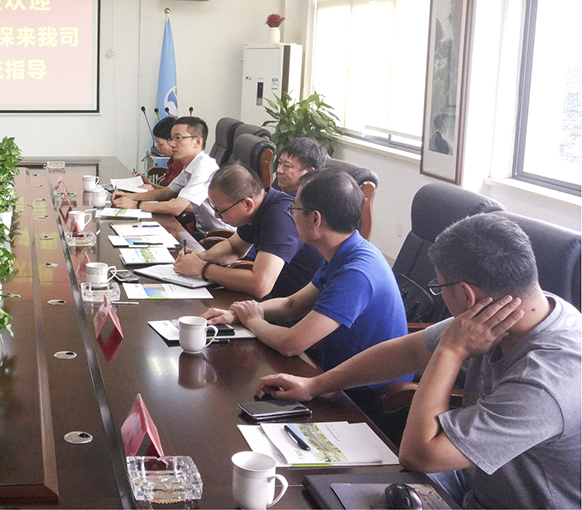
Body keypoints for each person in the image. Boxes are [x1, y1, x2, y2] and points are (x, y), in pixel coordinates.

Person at [255, 213, 581, 509]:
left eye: (440, 287)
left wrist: (451, 351)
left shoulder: (546, 381)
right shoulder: (520, 310)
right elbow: (406, 352)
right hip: (472, 481)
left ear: (466, 295)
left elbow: (419, 456)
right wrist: (314, 385)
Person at [201, 168, 410, 423]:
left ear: (315, 219)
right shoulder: (344, 250)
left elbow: (291, 344)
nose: (291, 215)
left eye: (295, 209)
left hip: (369, 399)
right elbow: (293, 304)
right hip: (335, 377)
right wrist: (238, 313)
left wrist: (253, 321)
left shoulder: (357, 272)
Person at [173, 164, 322, 299]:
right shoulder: (259, 207)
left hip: (295, 307)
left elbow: (261, 285)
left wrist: (203, 268)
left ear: (247, 204)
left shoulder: (280, 217)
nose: (217, 216)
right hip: (276, 297)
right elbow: (234, 247)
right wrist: (201, 257)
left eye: (220, 210)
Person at [111, 116, 229, 234]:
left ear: (197, 142)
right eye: (172, 139)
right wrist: (128, 196)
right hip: (204, 232)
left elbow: (176, 207)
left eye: (178, 138)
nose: (172, 144)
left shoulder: (204, 168)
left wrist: (135, 205)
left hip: (221, 237)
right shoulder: (190, 165)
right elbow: (165, 193)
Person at [139, 117, 183, 190]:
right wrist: (148, 183)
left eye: (160, 144)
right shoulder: (173, 159)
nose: (158, 148)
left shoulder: (181, 163)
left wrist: (152, 188)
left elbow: (170, 194)